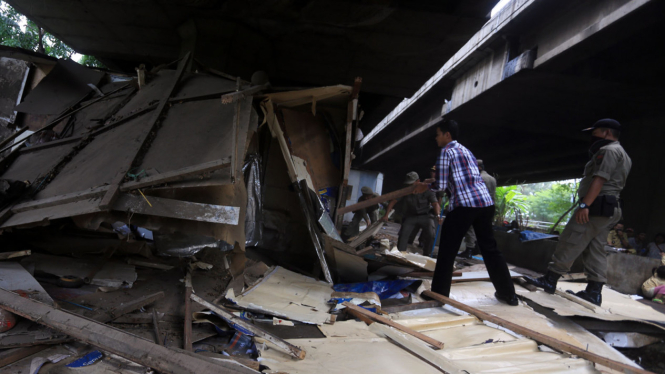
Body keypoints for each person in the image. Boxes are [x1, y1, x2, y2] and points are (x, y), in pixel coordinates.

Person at [526, 119, 632, 306]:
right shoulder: (623, 153)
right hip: (609, 208)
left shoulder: (608, 151)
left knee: (571, 239)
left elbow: (599, 179)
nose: (592, 136)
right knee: (596, 249)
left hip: (596, 206)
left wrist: (585, 205)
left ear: (607, 132)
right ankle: (594, 292)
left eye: (596, 132)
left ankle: (550, 280)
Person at [429, 119, 518, 305]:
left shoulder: (446, 151)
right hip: (485, 204)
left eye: (438, 134)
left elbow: (441, 185)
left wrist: (426, 186)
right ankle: (508, 294)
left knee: (447, 250)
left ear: (447, 135)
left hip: (465, 205)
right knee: (490, 249)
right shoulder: (466, 150)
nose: (436, 138)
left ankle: (439, 295)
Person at [381, 172, 440, 256]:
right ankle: (399, 254)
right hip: (411, 216)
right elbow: (393, 201)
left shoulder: (427, 189)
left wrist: (437, 215)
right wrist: (386, 215)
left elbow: (435, 203)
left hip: (425, 216)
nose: (410, 186)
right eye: (408, 184)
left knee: (431, 234)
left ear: (418, 181)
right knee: (403, 234)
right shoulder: (406, 190)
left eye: (412, 184)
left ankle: (427, 254)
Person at [461, 159, 497, 258]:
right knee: (483, 229)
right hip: (488, 208)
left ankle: (469, 249)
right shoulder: (492, 178)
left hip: (477, 206)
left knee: (470, 228)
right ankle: (478, 249)